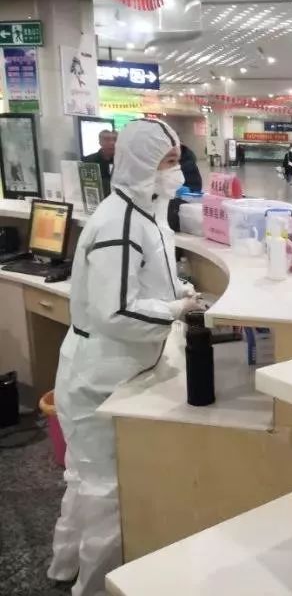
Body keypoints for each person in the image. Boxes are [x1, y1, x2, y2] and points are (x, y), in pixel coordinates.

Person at [47, 119, 202, 595]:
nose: (176, 172)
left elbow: (141, 279)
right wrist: (175, 310)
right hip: (99, 374)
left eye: (177, 160)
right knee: (106, 487)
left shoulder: (141, 210)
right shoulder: (121, 222)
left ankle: (65, 568)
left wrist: (177, 291)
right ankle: (94, 586)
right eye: (167, 162)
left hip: (111, 367)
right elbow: (115, 310)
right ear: (141, 164)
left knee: (87, 477)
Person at [82, 129, 116, 198]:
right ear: (100, 142)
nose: (112, 143)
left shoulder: (121, 161)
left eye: (114, 140)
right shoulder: (88, 161)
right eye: (107, 139)